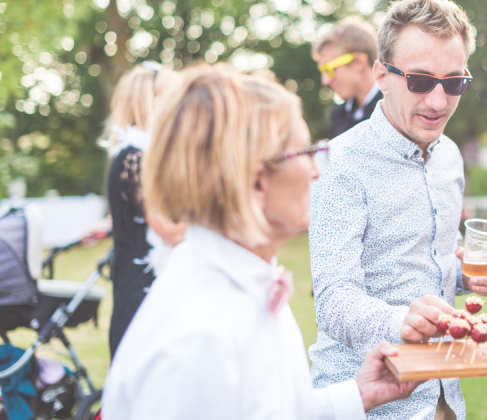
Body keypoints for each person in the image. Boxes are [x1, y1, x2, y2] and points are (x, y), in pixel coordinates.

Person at [102, 65, 421, 420]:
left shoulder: (248, 284)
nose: (318, 170)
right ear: (256, 183)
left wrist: (357, 395)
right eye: (304, 152)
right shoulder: (197, 341)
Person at [309, 0, 487, 420]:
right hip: (365, 402)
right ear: (382, 75)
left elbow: (427, 264)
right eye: (419, 80)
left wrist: (468, 276)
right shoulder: (339, 162)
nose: (438, 102)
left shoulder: (450, 155)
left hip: (444, 395)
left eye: (454, 83)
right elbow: (332, 298)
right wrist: (400, 321)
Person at [102, 64, 185, 358]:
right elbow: (172, 230)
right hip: (144, 296)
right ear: (153, 102)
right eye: (177, 97)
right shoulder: (136, 159)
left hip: (150, 290)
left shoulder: (140, 157)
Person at [314, 17, 383, 138]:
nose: (325, 81)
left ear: (358, 62)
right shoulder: (339, 114)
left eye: (330, 69)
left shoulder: (392, 109)